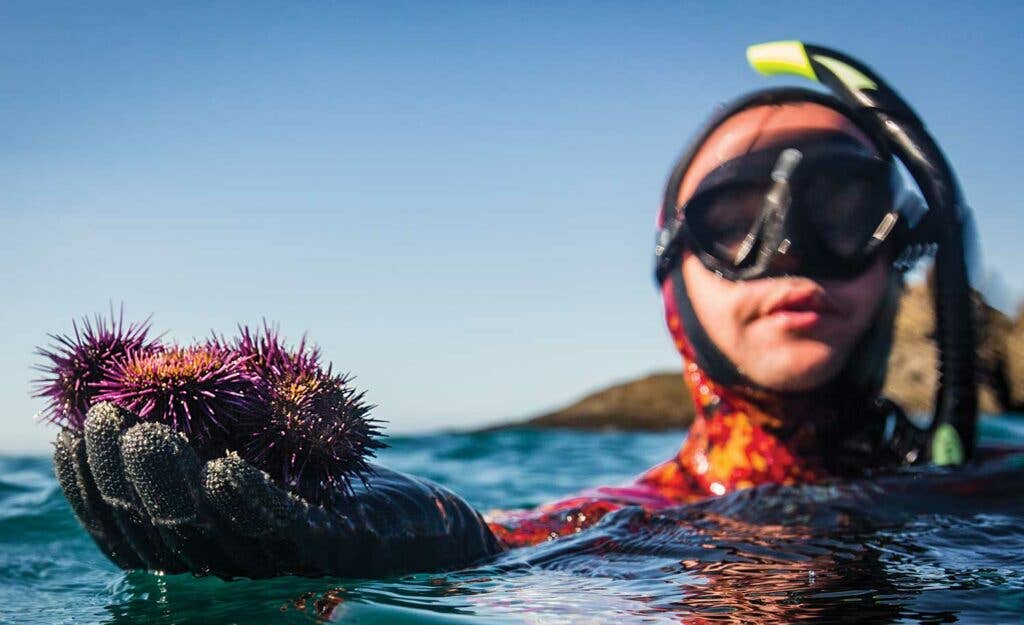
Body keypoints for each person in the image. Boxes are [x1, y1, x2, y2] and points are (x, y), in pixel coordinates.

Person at [52, 43, 978, 578]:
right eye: (736, 220)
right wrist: (436, 545)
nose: (789, 253)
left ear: (905, 251)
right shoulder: (619, 523)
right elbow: (512, 546)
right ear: (673, 279)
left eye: (844, 210)